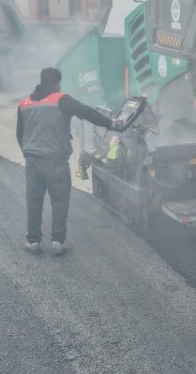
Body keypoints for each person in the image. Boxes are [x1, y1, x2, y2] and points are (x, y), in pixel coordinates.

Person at [17, 67, 127, 255]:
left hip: (33, 160)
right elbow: (86, 112)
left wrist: (28, 152)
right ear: (57, 83)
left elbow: (20, 134)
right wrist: (111, 123)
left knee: (34, 200)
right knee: (59, 200)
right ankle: (57, 242)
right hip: (56, 160)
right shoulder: (60, 99)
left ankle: (33, 242)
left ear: (41, 81)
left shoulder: (24, 103)